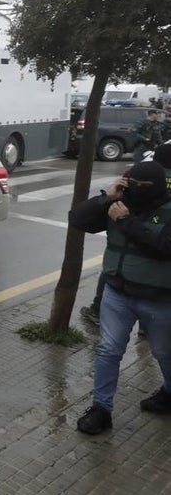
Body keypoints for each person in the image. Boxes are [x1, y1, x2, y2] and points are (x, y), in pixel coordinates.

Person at [69, 160, 171, 435]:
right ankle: (101, 409)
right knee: (108, 350)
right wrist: (107, 197)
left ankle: (168, 394)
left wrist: (126, 221)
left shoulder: (162, 210)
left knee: (164, 352)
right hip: (117, 293)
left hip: (159, 299)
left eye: (144, 187)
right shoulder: (117, 205)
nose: (137, 191)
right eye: (132, 185)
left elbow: (164, 248)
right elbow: (77, 219)